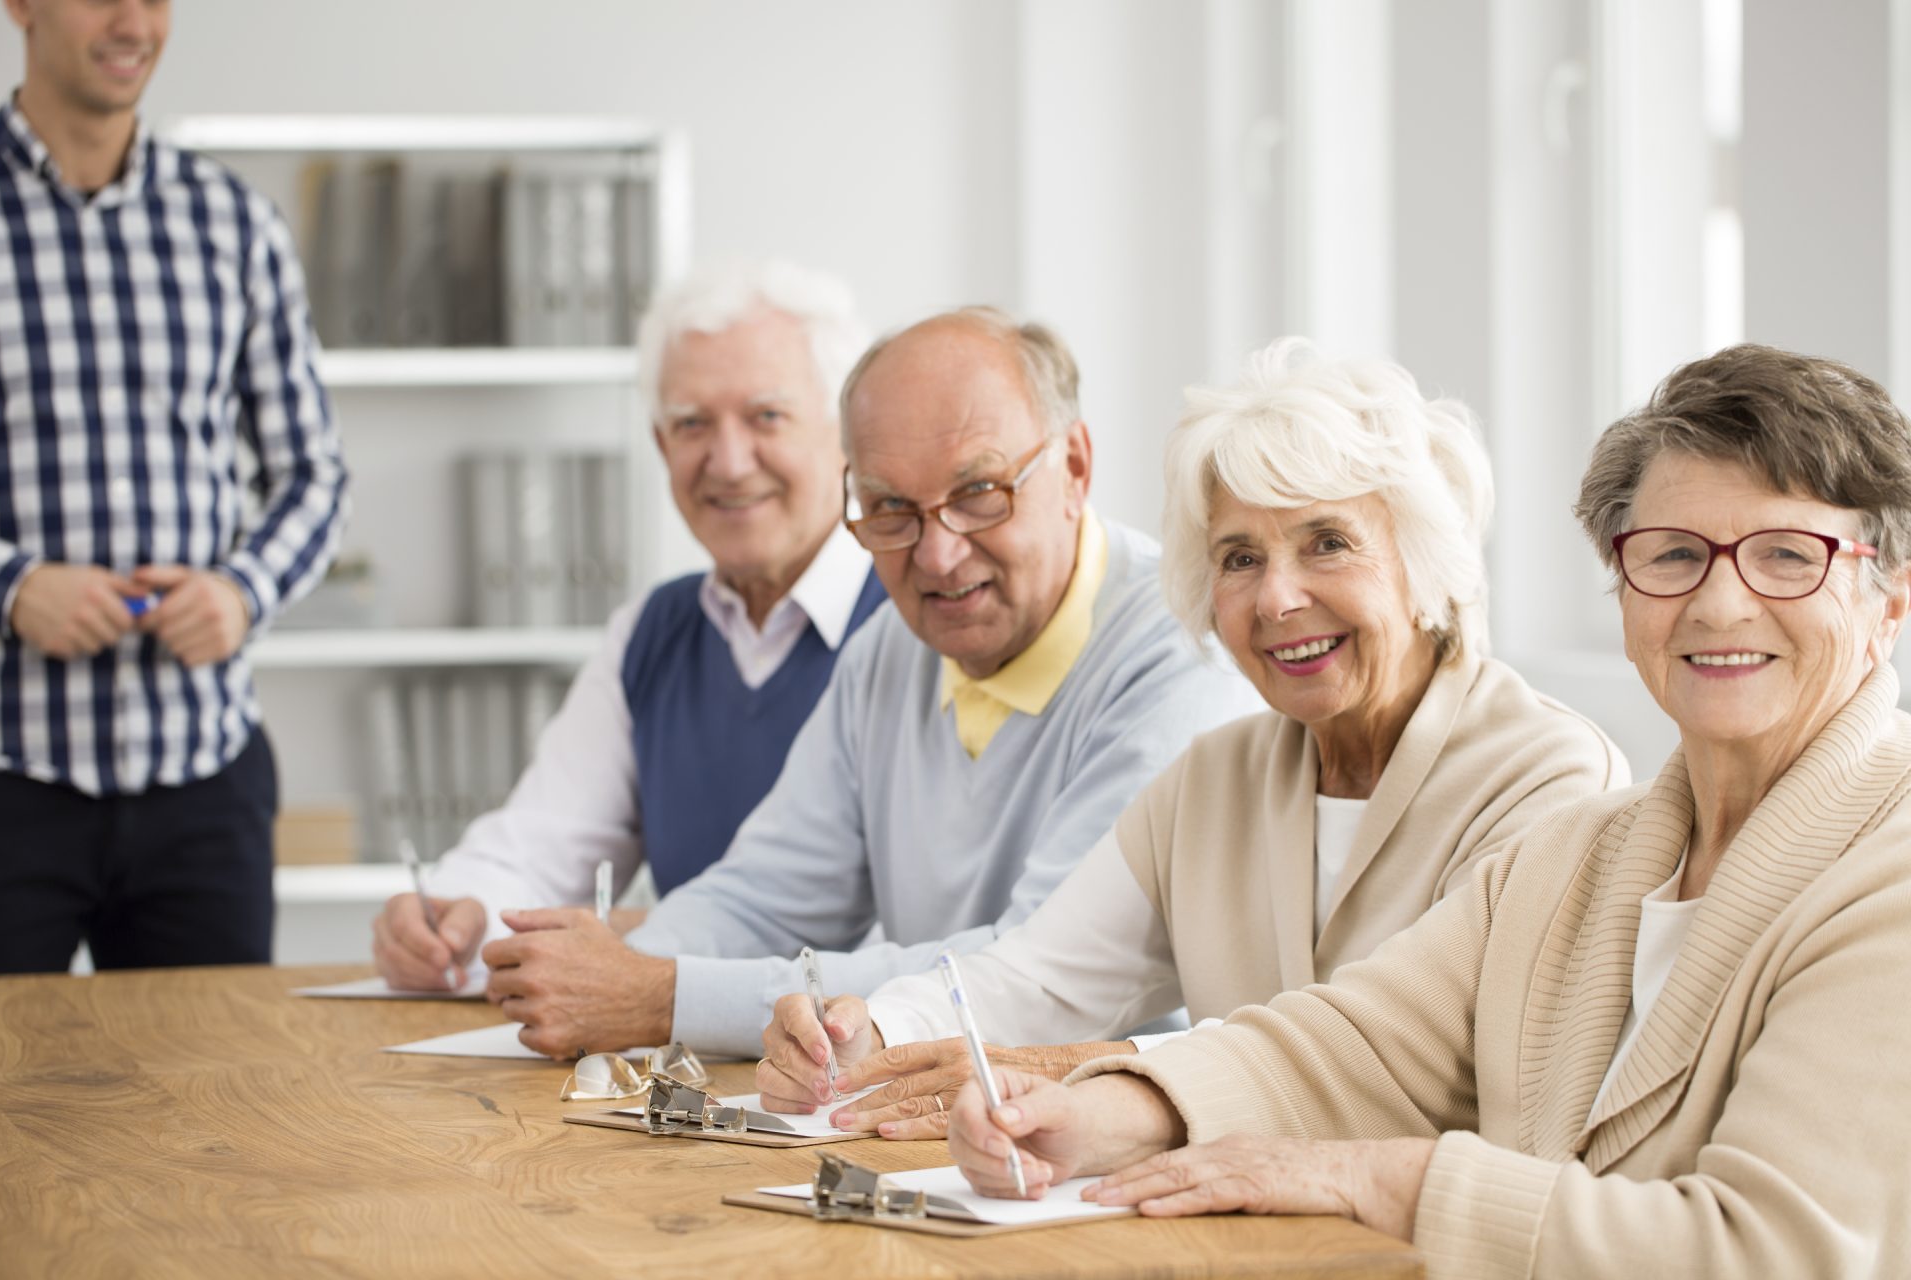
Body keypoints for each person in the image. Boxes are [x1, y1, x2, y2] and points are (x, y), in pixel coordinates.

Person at [948, 344, 1911, 1280]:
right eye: (1673, 556)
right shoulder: (1579, 857)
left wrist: (1378, 1176)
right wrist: (1099, 1113)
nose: (1720, 603)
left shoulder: (1890, 872)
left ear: (1891, 597)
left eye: (1789, 556)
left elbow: (1767, 1252)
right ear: (1625, 588)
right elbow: (1351, 1048)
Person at [756, 340, 1627, 1132]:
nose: (1277, 598)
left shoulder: (1550, 778)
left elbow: (1413, 1058)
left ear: (1423, 558)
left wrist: (1116, 1073)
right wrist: (869, 1030)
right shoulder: (1214, 779)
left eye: (1327, 542)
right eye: (1240, 557)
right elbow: (1038, 979)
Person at [475, 307, 1259, 1057]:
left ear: (1075, 468)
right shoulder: (890, 648)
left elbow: (1034, 976)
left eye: (979, 494)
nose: (938, 557)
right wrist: (611, 973)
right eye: (889, 509)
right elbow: (766, 896)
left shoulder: (1184, 655)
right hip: (921, 1124)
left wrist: (657, 996)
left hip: (1109, 1155)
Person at [370, 261, 885, 991]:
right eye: (691, 425)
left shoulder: (919, 623)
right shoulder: (653, 633)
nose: (729, 463)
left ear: (846, 435)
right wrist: (456, 917)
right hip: (676, 1062)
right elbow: (541, 843)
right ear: (659, 443)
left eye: (767, 416)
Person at [0, 0, 350, 973]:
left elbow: (313, 472)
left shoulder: (233, 223)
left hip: (205, 777)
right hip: (7, 767)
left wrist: (241, 592)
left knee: (213, 1106)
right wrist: (12, 585)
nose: (133, 20)